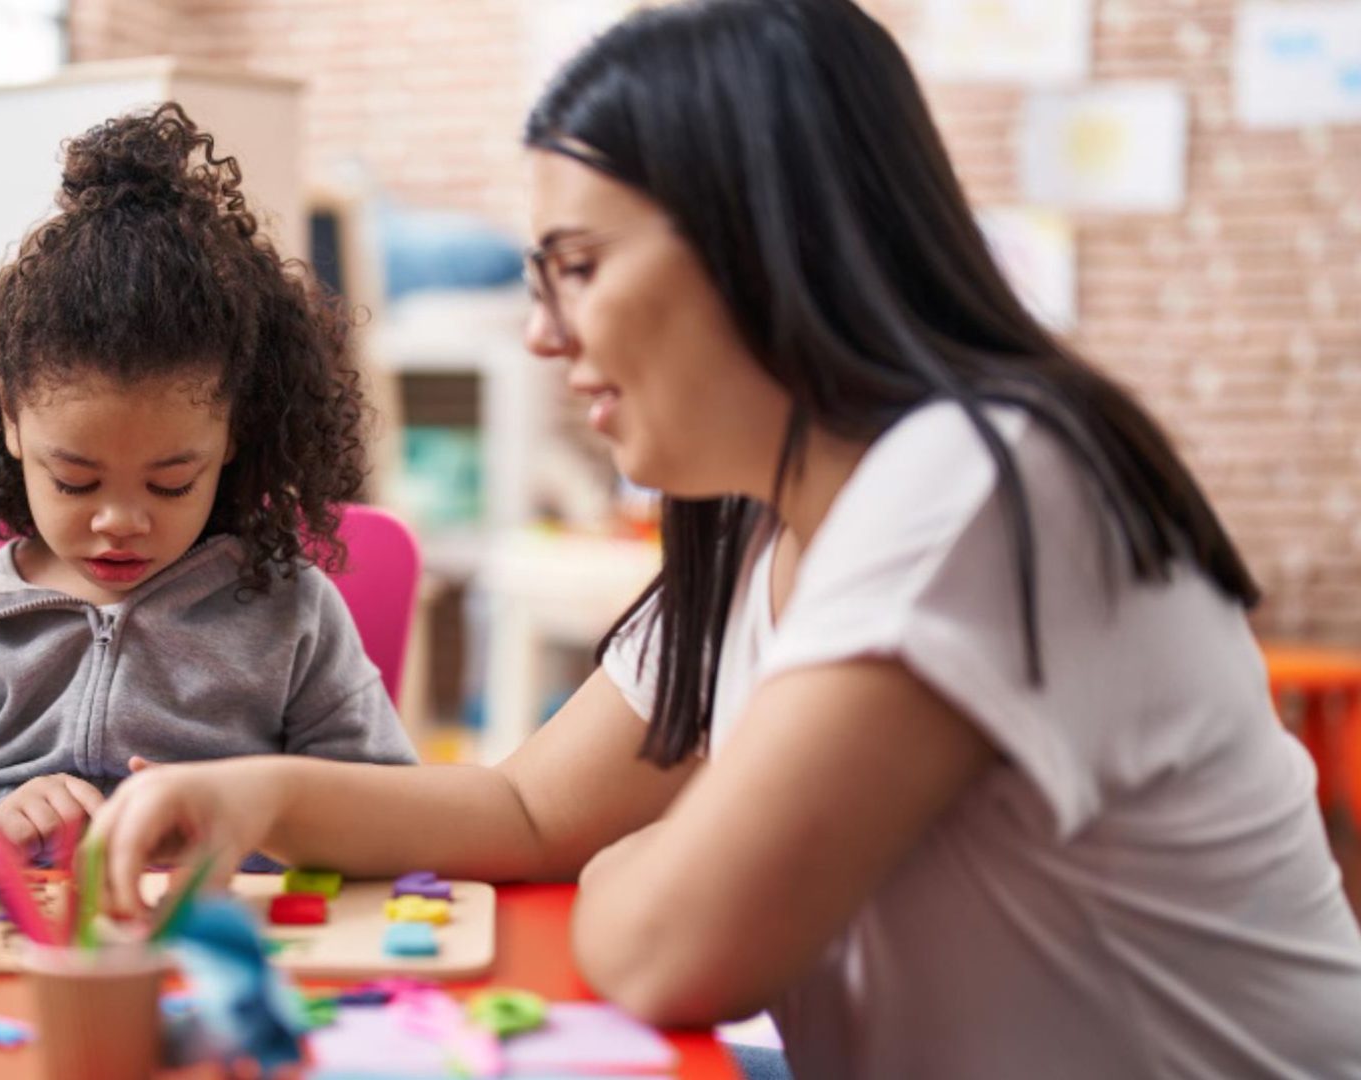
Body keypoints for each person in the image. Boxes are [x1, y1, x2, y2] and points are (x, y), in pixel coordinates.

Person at [84, 3, 1361, 1076]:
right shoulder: (765, 526)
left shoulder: (977, 479)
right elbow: (529, 808)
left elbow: (671, 949)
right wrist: (250, 793)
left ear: (762, 242)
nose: (541, 332)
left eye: (577, 266)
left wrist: (644, 855)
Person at [0, 104, 416, 869]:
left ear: (230, 440)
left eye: (171, 483)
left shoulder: (288, 614)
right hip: (13, 970)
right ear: (12, 423)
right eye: (75, 480)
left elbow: (392, 811)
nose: (121, 520)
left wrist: (254, 819)